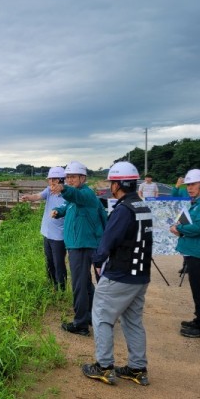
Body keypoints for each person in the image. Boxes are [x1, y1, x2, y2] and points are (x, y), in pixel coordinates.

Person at [81, 162, 152, 386]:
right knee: (133, 321)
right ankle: (137, 368)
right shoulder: (143, 206)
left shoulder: (123, 210)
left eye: (112, 182)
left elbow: (108, 241)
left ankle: (103, 366)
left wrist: (97, 261)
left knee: (102, 316)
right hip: (141, 276)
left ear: (118, 185)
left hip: (120, 274)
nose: (111, 186)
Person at [51, 161, 107, 336]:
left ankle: (81, 323)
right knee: (86, 284)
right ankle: (90, 315)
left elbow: (76, 197)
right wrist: (58, 211)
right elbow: (69, 205)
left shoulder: (86, 194)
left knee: (79, 285)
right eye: (67, 177)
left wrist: (63, 189)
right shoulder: (78, 196)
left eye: (73, 177)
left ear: (83, 178)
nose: (69, 180)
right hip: (78, 243)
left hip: (82, 245)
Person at [169, 169, 200, 338]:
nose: (189, 188)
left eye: (193, 184)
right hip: (195, 252)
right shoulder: (197, 202)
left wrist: (180, 229)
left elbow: (199, 227)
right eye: (188, 185)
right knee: (198, 289)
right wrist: (181, 226)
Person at [21, 167, 68, 290]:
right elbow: (37, 196)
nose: (51, 182)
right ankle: (51, 284)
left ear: (61, 180)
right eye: (50, 179)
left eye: (54, 179)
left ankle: (61, 289)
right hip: (47, 233)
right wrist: (28, 197)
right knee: (49, 261)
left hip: (59, 236)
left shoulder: (67, 195)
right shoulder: (49, 191)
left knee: (59, 263)